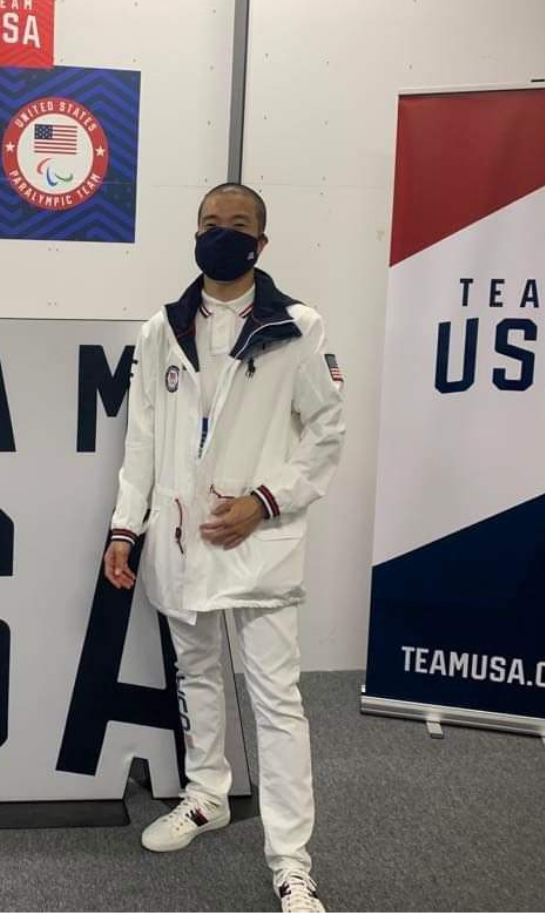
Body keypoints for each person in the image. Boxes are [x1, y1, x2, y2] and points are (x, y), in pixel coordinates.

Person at [104, 183, 345, 913]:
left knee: (275, 702)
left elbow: (327, 431)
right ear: (195, 233)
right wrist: (126, 527)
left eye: (237, 225)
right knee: (197, 676)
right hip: (181, 544)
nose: (221, 234)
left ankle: (292, 863)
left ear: (260, 244)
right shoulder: (161, 330)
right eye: (210, 223)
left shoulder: (297, 327)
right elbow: (142, 439)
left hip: (258, 544)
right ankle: (206, 796)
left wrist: (264, 502)